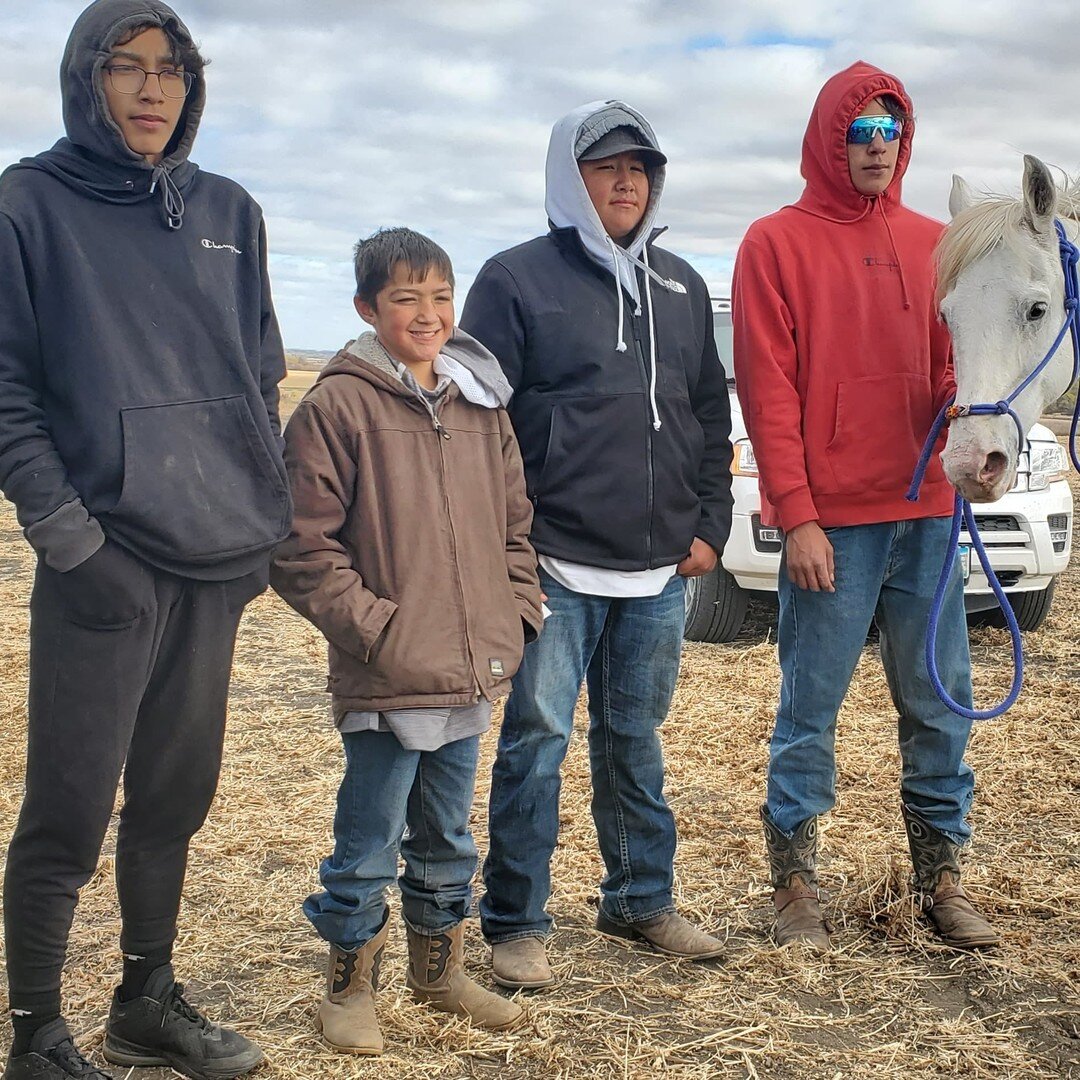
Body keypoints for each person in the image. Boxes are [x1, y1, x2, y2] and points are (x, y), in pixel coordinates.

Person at [0, 1, 291, 1077]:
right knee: (69, 808)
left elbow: (261, 372)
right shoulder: (28, 205)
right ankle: (35, 1032)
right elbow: (7, 388)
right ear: (87, 78)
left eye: (171, 68)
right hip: (104, 563)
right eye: (126, 67)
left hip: (217, 558)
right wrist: (70, 537)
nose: (152, 88)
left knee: (176, 796)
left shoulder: (228, 208)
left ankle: (145, 1000)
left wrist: (265, 525)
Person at [460, 100, 734, 990]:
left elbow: (705, 415)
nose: (627, 181)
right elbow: (476, 423)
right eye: (607, 165)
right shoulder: (514, 280)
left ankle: (640, 898)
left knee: (635, 739)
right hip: (555, 561)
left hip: (659, 568)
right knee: (536, 738)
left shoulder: (685, 286)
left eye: (641, 167)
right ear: (566, 176)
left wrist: (710, 526)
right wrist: (504, 544)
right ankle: (515, 921)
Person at [732, 61, 998, 952]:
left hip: (927, 515)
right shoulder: (775, 242)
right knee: (811, 706)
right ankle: (797, 884)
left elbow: (959, 362)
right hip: (835, 526)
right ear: (829, 138)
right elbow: (768, 392)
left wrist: (968, 415)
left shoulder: (937, 242)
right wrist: (796, 514)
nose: (877, 148)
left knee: (939, 701)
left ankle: (942, 878)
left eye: (890, 132)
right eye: (861, 132)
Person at [270, 227, 544, 1055]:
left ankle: (438, 970)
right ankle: (349, 989)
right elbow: (299, 547)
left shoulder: (478, 402)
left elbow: (514, 524)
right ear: (366, 308)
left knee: (450, 835)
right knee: (367, 842)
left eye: (438, 297)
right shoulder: (337, 406)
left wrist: (517, 611)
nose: (426, 314)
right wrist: (377, 631)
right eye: (403, 298)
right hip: (389, 674)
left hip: (468, 669)